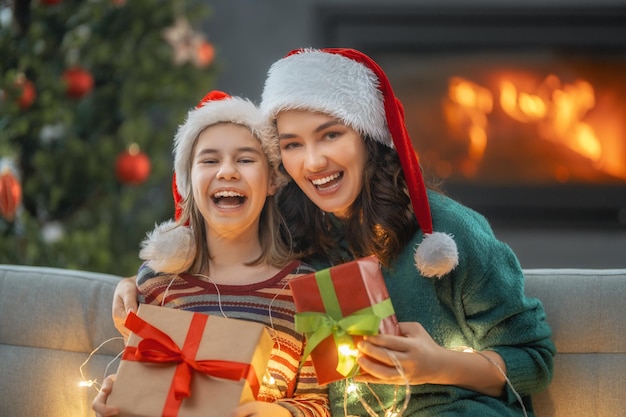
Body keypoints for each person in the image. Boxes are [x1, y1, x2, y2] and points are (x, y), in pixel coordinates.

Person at [112, 49, 556, 416]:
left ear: (367, 136)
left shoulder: (446, 233)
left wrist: (437, 366)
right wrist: (139, 282)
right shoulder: (291, 231)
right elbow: (221, 256)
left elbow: (533, 361)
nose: (313, 162)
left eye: (330, 135)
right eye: (292, 145)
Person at [93, 90, 330, 417]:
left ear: (273, 180)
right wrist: (118, 403)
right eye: (209, 160)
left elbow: (319, 403)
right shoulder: (158, 284)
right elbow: (146, 391)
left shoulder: (308, 289)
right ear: (188, 180)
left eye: (245, 159)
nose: (228, 172)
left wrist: (277, 414)